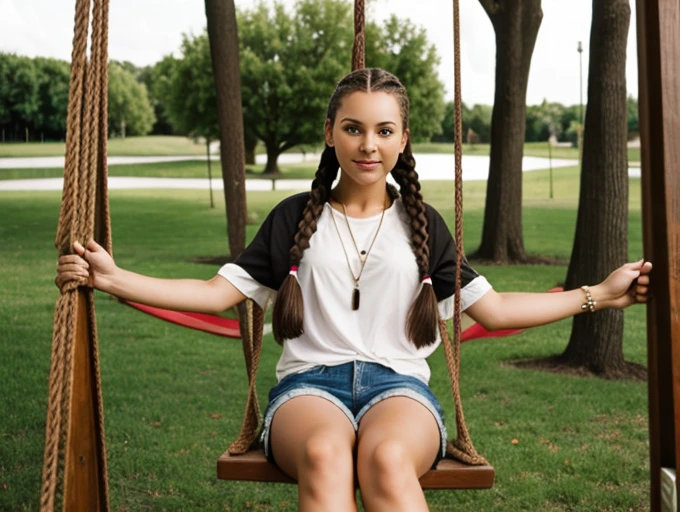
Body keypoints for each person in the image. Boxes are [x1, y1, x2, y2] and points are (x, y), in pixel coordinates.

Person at [57, 67, 652, 512]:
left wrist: (598, 292)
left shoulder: (423, 226)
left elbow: (493, 310)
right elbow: (217, 294)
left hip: (398, 387)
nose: (369, 144)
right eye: (354, 128)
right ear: (331, 134)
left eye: (383, 130)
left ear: (402, 139)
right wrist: (115, 279)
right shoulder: (294, 217)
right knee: (324, 454)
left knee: (388, 458)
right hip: (308, 386)